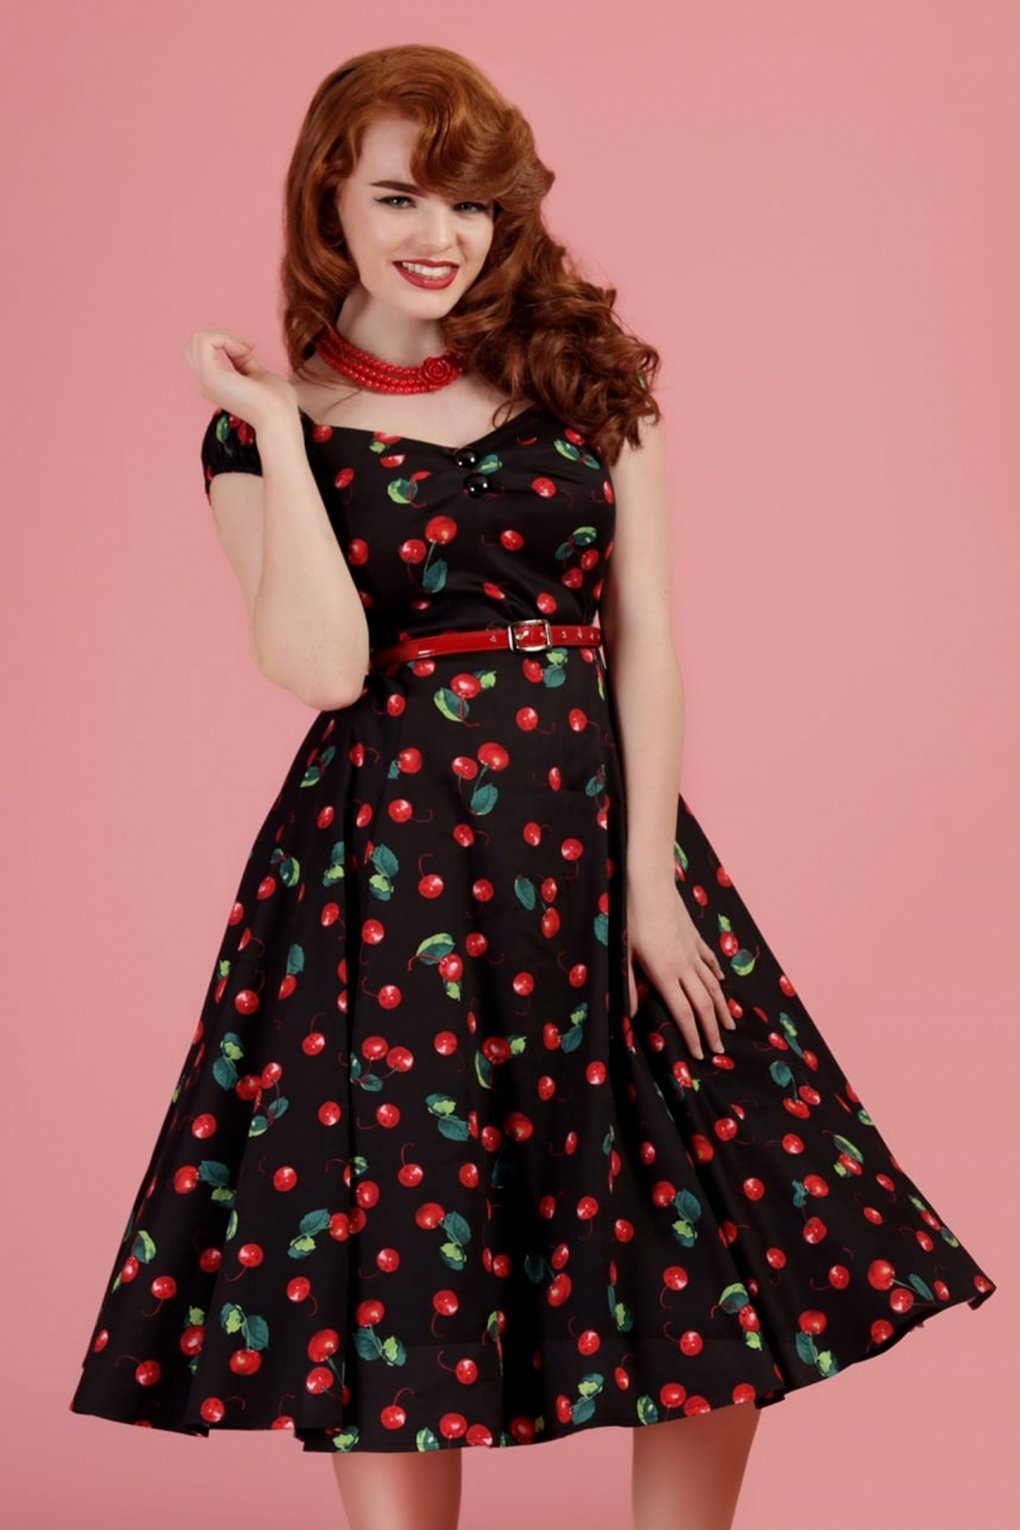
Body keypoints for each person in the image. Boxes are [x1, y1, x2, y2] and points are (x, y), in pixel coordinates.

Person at [69, 43, 997, 1530]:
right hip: (383, 876)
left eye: (471, 202)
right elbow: (321, 664)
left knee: (700, 1210)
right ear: (328, 199)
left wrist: (651, 890)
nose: (438, 234)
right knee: (393, 1236)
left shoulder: (589, 380)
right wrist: (290, 438)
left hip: (593, 844)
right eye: (398, 197)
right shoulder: (257, 429)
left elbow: (650, 641)